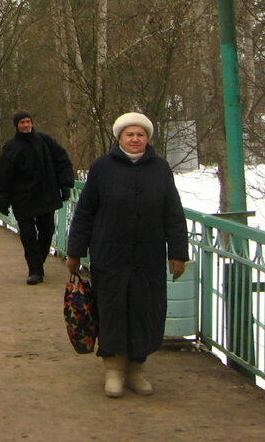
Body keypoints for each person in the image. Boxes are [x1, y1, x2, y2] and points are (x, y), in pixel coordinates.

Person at [65, 112, 189, 399]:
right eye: (129, 134)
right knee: (112, 310)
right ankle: (114, 370)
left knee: (145, 311)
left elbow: (173, 213)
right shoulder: (102, 168)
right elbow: (85, 212)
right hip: (110, 255)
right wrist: (75, 251)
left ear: (147, 138)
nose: (135, 139)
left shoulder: (160, 169)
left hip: (148, 257)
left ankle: (137, 371)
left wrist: (178, 253)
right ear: (119, 138)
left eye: (141, 134)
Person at [0, 111, 74, 285]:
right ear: (17, 125)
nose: (26, 125)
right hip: (22, 199)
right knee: (28, 235)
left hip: (45, 195)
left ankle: (38, 262)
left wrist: (65, 184)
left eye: (28, 121)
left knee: (47, 231)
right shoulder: (11, 147)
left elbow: (62, 160)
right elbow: (3, 175)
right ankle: (35, 270)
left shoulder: (45, 141)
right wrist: (2, 201)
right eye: (22, 122)